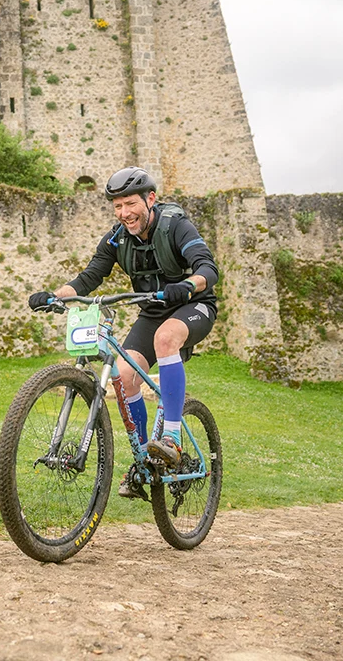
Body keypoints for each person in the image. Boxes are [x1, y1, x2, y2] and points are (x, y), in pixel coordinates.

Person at [27, 167, 218, 500]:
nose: (124, 213)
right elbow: (88, 279)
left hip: (193, 305)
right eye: (117, 206)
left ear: (150, 199)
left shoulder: (176, 226)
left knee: (165, 338)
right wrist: (55, 297)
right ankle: (145, 457)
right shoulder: (116, 238)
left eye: (130, 204)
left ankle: (171, 438)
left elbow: (207, 269)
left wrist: (187, 285)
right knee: (125, 377)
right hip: (152, 312)